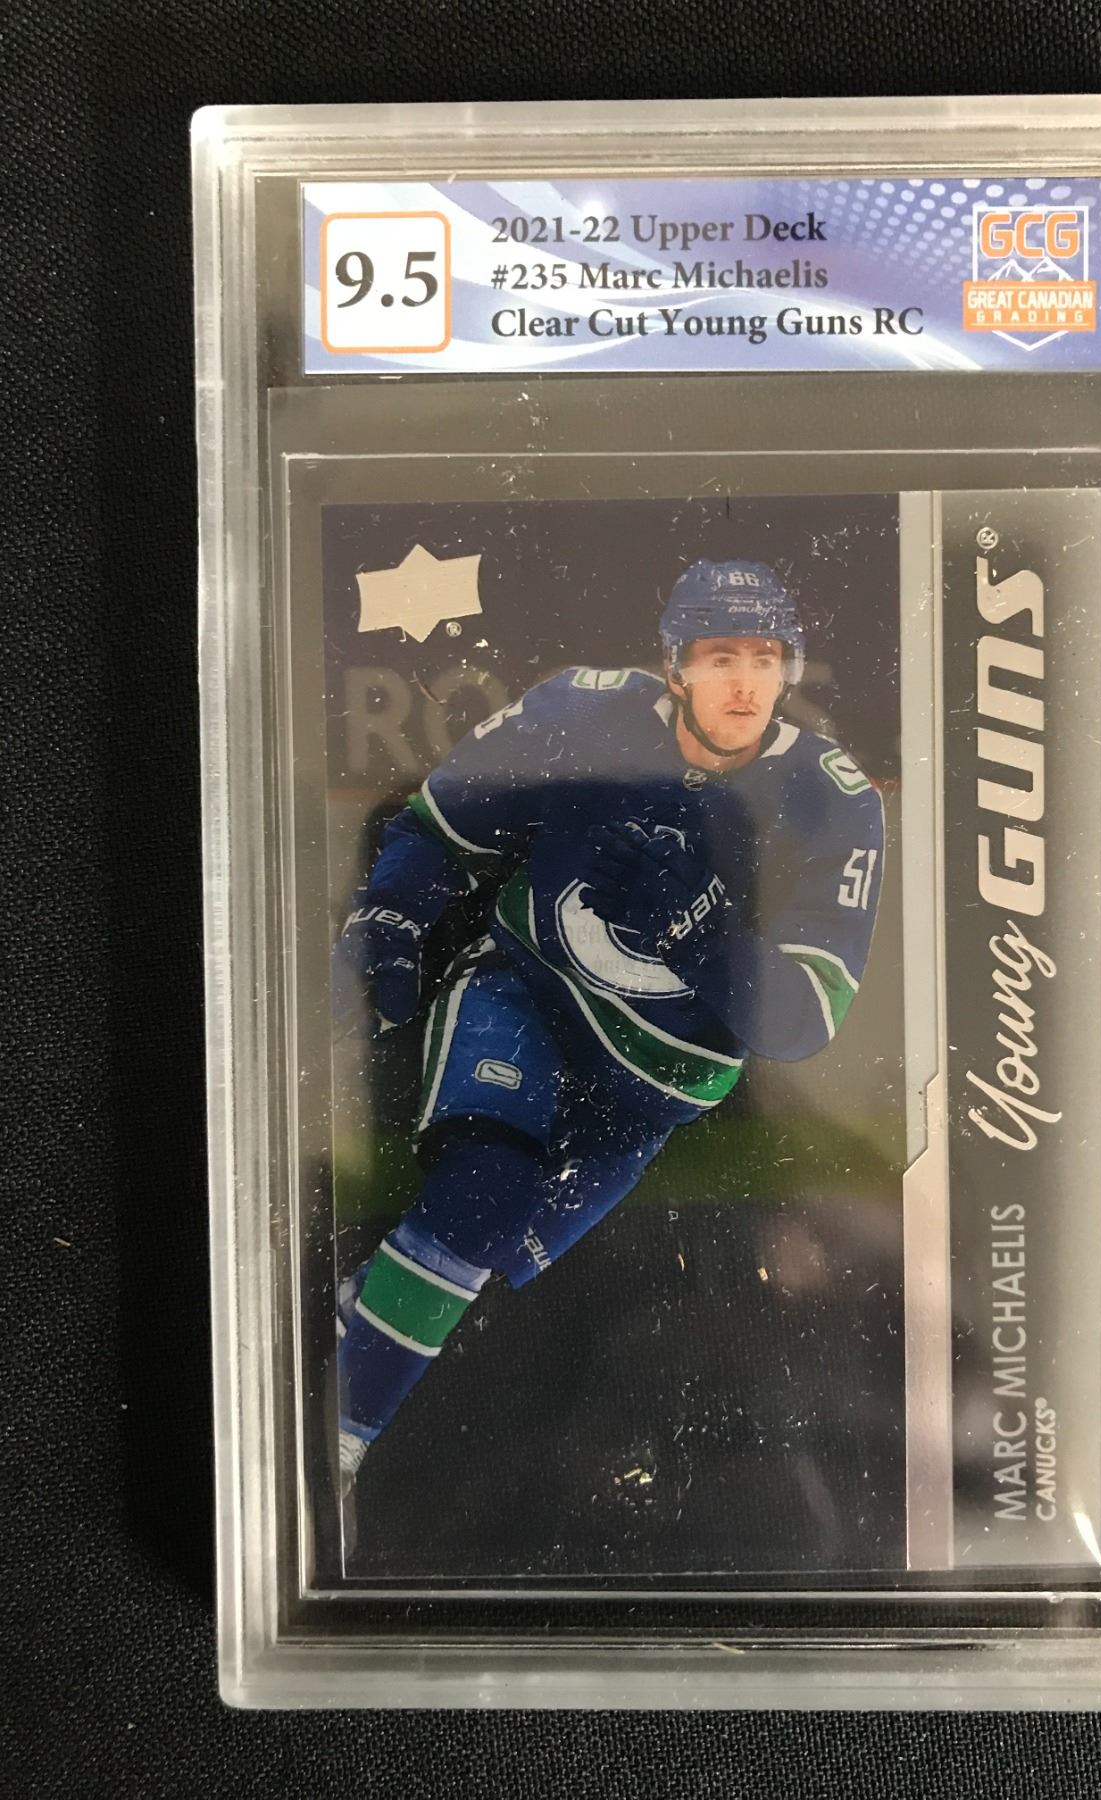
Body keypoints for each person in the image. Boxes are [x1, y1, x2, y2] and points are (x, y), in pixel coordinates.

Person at [332, 558, 884, 1517]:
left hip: (655, 1092)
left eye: (764, 658)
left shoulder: (831, 798)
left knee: (494, 1271)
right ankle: (333, 1444)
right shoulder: (582, 712)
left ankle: (356, 1327)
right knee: (480, 1200)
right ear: (674, 666)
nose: (744, 683)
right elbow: (441, 826)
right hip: (528, 997)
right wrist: (393, 914)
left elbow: (802, 1020)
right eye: (719, 657)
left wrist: (698, 935)